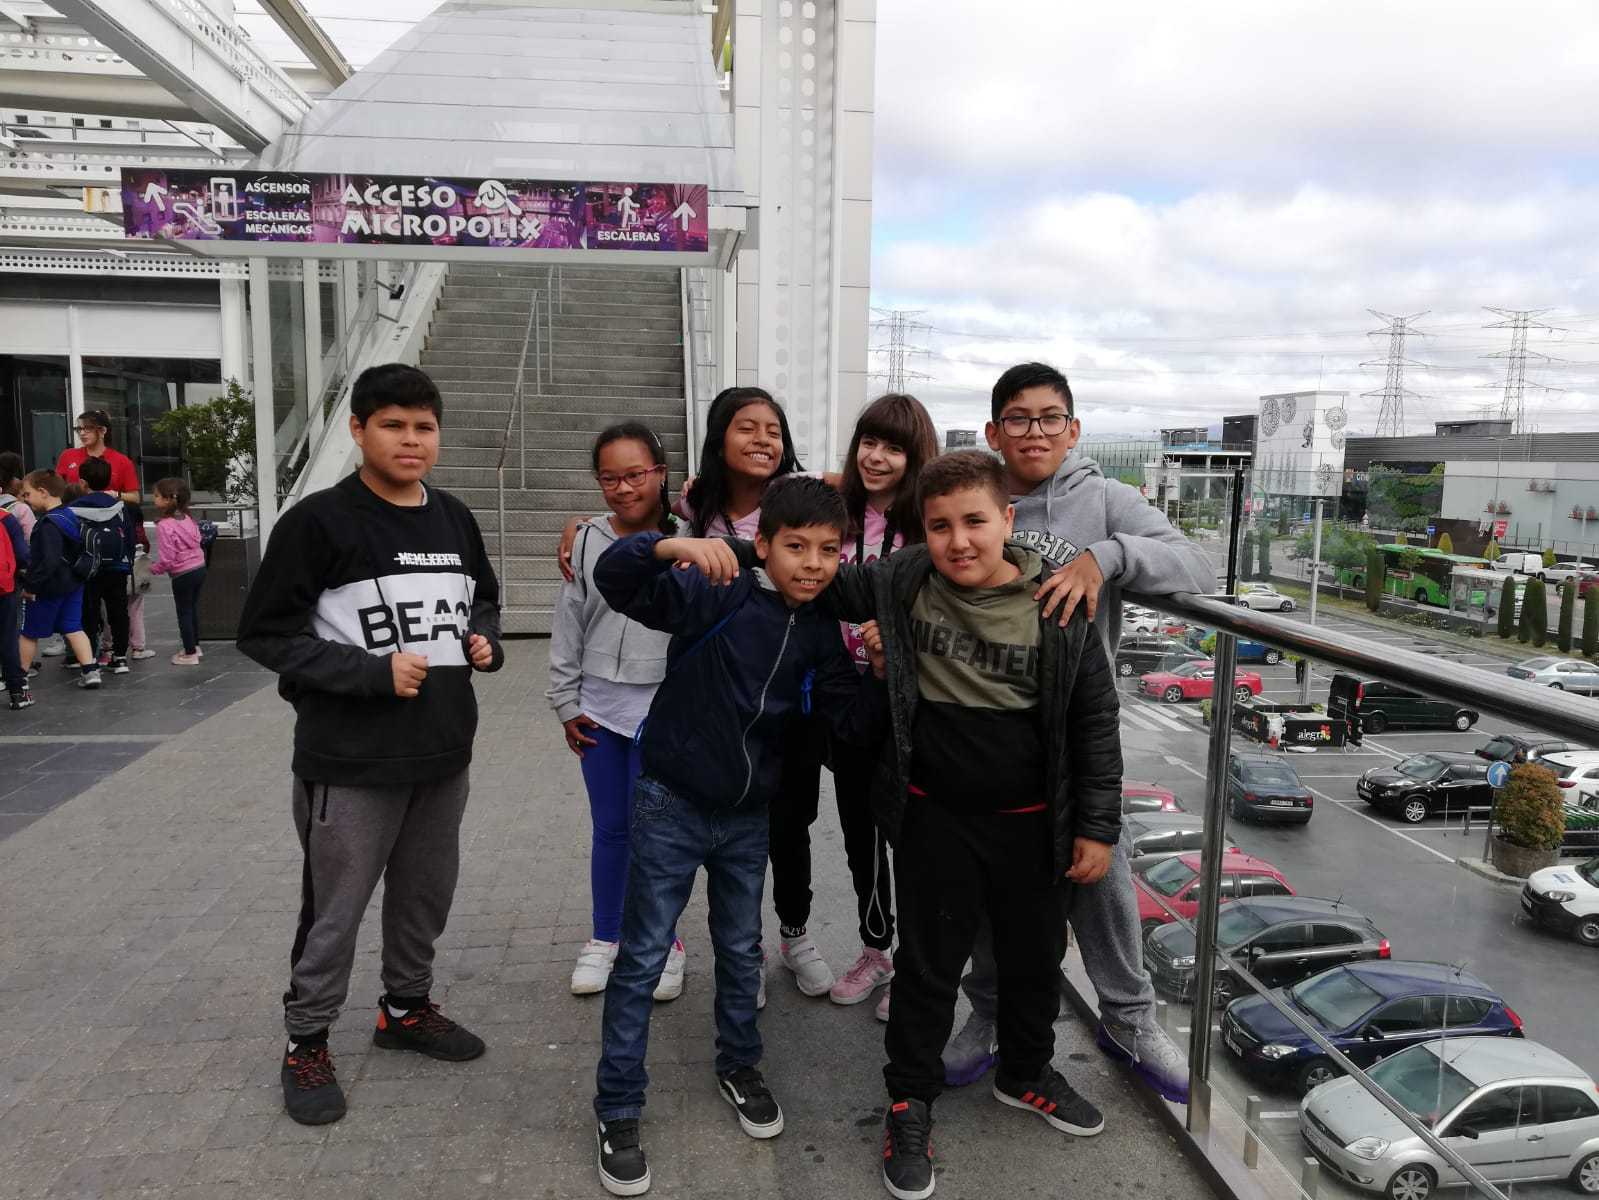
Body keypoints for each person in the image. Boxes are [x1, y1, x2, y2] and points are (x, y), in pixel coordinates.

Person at [703, 451, 1123, 1199]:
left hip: (1034, 828)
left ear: (1007, 519)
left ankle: (1025, 1072)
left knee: (1033, 963)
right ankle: (909, 1100)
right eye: (939, 526)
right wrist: (687, 539)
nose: (958, 541)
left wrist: (1096, 827)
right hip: (934, 819)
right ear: (920, 531)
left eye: (974, 522)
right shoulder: (902, 581)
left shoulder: (1057, 605)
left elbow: (1094, 722)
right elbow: (807, 563)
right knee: (927, 969)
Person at [588, 476, 878, 1198]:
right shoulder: (715, 591)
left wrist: (880, 665)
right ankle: (617, 1106)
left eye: (828, 551)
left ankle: (739, 1066)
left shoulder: (821, 630)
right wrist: (672, 545)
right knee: (643, 956)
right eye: (795, 547)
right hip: (671, 802)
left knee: (743, 951)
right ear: (764, 544)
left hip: (750, 817)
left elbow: (850, 722)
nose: (812, 564)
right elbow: (615, 578)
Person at [939, 362, 1215, 1105]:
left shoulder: (1105, 500)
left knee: (1103, 875)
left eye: (1050, 418)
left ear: (1073, 429)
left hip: (1079, 734)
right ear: (994, 431)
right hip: (983, 731)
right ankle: (988, 1015)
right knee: (991, 886)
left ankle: (1129, 1019)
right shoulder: (977, 494)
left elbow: (1199, 567)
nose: (1035, 432)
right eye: (1018, 419)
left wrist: (1108, 556)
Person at [236, 363, 504, 1127]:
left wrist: (484, 640)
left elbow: (482, 598)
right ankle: (306, 1040)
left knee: (424, 897)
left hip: (443, 755)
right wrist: (367, 672)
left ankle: (405, 1010)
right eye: (392, 425)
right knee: (336, 910)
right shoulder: (318, 522)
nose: (410, 440)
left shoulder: (454, 519)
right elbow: (264, 634)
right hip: (349, 762)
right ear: (357, 430)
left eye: (424, 427)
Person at [797, 393, 939, 1021]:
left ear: (916, 457)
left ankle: (917, 964)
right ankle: (875, 950)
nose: (876, 457)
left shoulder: (929, 525)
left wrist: (899, 639)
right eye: (868, 443)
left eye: (893, 448)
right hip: (848, 702)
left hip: (912, 710)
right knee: (861, 837)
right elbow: (770, 502)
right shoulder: (840, 515)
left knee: (914, 841)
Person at [547, 422, 687, 1000]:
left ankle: (665, 943)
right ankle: (605, 937)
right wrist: (564, 700)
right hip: (599, 707)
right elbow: (569, 620)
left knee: (657, 835)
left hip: (664, 708)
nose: (624, 488)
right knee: (610, 828)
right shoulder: (585, 539)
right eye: (610, 478)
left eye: (635, 475)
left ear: (660, 473)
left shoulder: (690, 536)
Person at [15, 470, 100, 690]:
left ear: (43, 492)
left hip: (48, 587)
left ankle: (20, 677)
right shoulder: (70, 515)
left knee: (29, 632)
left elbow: (48, 561)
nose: (25, 499)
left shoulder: (47, 524)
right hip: (74, 583)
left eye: (27, 494)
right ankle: (90, 671)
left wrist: (31, 586)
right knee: (74, 627)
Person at [69, 456, 135, 675]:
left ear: (82, 482)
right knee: (118, 611)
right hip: (117, 566)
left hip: (88, 568)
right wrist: (128, 561)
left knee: (88, 612)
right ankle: (120, 657)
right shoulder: (119, 507)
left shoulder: (74, 509)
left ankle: (91, 658)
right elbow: (130, 537)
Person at [149, 479, 208, 665]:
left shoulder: (165, 525)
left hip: (182, 573)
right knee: (192, 608)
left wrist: (153, 568)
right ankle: (195, 646)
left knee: (184, 612)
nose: (153, 499)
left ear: (168, 499)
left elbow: (167, 558)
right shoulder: (187, 518)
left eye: (156, 496)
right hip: (199, 567)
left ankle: (190, 653)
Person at [55, 409, 140, 504]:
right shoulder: (68, 455)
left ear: (103, 431)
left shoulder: (122, 461)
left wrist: (115, 494)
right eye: (79, 429)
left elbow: (135, 498)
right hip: (72, 511)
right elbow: (55, 491)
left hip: (107, 511)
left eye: (88, 428)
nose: (82, 433)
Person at [1, 480, 28, 710]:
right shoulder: (6, 518)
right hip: (4, 587)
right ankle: (17, 693)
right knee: (8, 636)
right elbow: (22, 555)